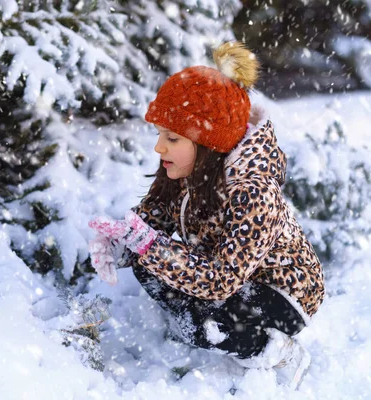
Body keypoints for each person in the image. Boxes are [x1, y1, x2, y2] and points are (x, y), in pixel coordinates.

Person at [88, 42, 325, 390]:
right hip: (229, 271)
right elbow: (156, 216)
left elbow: (220, 280)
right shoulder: (191, 166)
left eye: (172, 138)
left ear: (209, 144)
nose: (159, 147)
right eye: (160, 135)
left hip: (283, 290)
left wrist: (151, 248)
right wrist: (124, 240)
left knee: (209, 321)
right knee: (148, 264)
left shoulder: (253, 191)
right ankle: (200, 324)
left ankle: (275, 350)